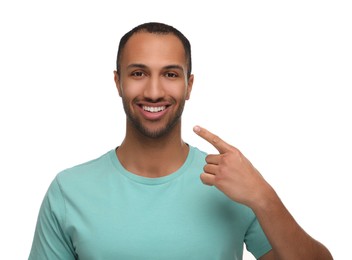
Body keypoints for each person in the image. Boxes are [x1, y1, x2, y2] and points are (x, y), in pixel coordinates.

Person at [28, 22, 333, 260]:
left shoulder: (232, 182)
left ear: (189, 85)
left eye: (170, 74)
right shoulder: (69, 191)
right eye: (138, 73)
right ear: (118, 82)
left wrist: (263, 197)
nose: (154, 91)